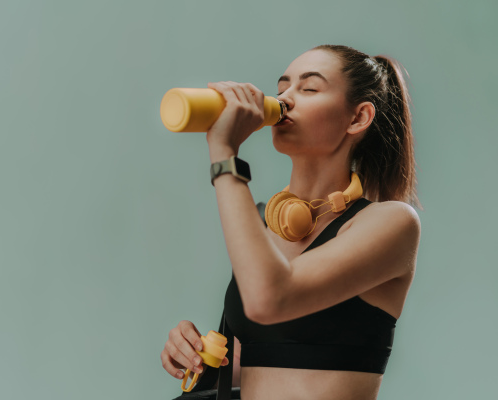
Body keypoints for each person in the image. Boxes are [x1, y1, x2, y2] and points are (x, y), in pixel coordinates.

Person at [161, 44, 421, 400]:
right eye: (282, 87)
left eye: (309, 88)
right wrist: (199, 355)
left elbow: (271, 299)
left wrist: (224, 154)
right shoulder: (262, 222)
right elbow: (269, 360)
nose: (285, 99)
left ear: (357, 118)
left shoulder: (392, 223)